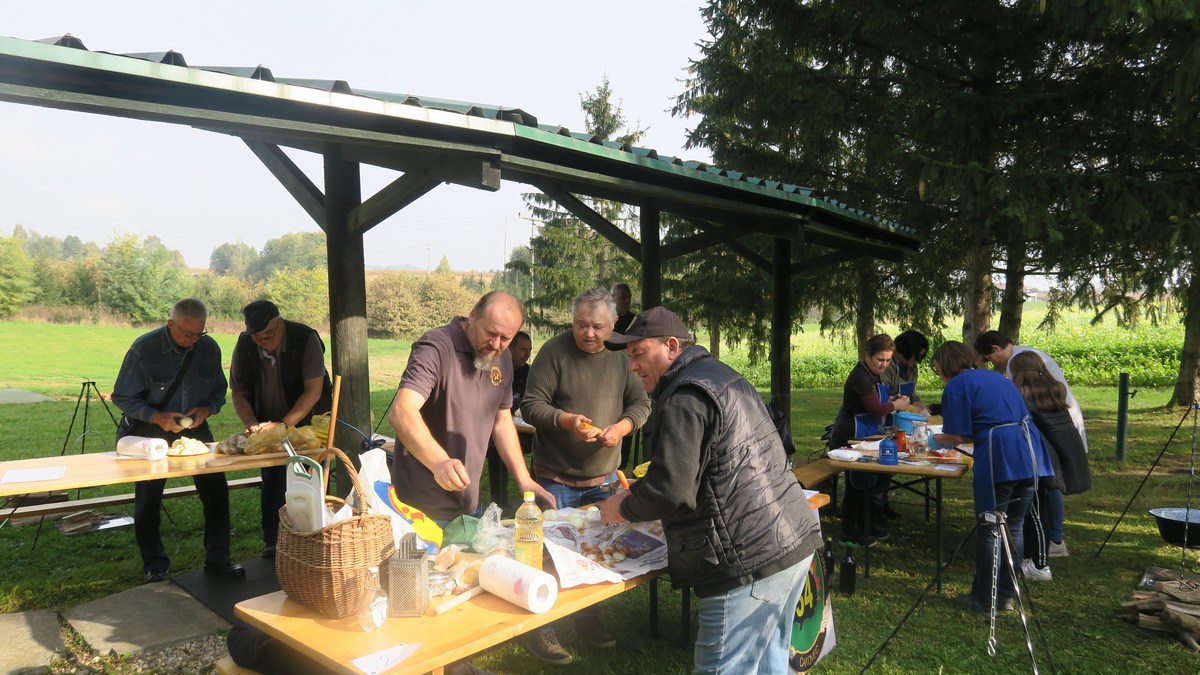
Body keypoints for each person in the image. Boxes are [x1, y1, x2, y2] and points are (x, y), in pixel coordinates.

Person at [598, 306, 821, 675]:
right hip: (791, 543)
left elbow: (672, 491)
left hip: (747, 562)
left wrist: (623, 506)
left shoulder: (683, 397)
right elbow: (720, 462)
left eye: (638, 354)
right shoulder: (722, 375)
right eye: (629, 357)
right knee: (770, 665)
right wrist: (648, 486)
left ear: (671, 346)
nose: (633, 367)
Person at [386, 292, 553, 675]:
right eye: (491, 334)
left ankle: (456, 666)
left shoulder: (502, 361)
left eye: (506, 339)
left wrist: (523, 477)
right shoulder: (436, 346)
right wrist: (438, 460)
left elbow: (501, 421)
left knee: (459, 592)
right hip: (419, 506)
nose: (496, 345)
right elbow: (401, 410)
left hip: (468, 504)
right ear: (472, 316)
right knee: (418, 599)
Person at [520, 288, 651, 661]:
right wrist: (566, 420)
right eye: (581, 325)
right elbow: (530, 406)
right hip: (554, 477)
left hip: (604, 479)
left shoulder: (622, 357)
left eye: (597, 326)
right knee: (548, 555)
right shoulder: (554, 352)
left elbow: (641, 402)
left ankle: (587, 619)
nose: (588, 333)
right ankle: (542, 631)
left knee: (595, 555)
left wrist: (622, 428)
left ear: (613, 325)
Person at [111, 298, 243, 583]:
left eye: (199, 333)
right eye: (187, 334)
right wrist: (156, 416)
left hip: (195, 429)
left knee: (216, 492)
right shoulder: (144, 349)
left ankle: (219, 559)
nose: (193, 340)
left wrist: (206, 410)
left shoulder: (208, 349)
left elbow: (219, 391)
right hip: (150, 430)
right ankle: (154, 565)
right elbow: (122, 396)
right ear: (171, 324)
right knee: (149, 499)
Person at [930, 341, 1055, 615]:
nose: (938, 374)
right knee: (1015, 526)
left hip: (1001, 454)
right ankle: (1006, 595)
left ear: (945, 366)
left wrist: (934, 440)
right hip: (1029, 452)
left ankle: (985, 599)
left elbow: (959, 434)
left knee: (990, 526)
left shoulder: (956, 386)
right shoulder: (996, 378)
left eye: (937, 368)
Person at [229, 300, 333, 558]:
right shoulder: (245, 344)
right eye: (257, 336)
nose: (263, 340)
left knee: (308, 480)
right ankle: (275, 543)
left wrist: (284, 424)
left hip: (307, 424)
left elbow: (313, 390)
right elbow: (239, 392)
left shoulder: (305, 338)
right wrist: (252, 423)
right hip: (268, 422)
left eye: (269, 334)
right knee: (273, 480)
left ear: (280, 322)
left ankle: (312, 541)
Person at [974, 329, 1086, 557]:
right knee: (1050, 484)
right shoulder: (1028, 356)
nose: (992, 364)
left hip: (1048, 431)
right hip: (1057, 424)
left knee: (1050, 484)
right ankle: (1052, 537)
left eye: (989, 359)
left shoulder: (1018, 361)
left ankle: (1053, 540)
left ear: (995, 349)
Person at [1009, 350, 1092, 580]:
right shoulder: (1052, 392)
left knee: (1034, 514)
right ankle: (1031, 560)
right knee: (1038, 512)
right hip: (1054, 462)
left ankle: (1040, 565)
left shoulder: (1025, 399)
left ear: (1018, 375)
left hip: (1041, 464)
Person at [829, 334, 910, 544]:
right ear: (867, 355)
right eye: (880, 360)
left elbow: (876, 400)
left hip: (867, 436)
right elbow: (874, 408)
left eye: (888, 360)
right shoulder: (861, 377)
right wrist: (895, 405)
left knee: (872, 482)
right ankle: (850, 533)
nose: (884, 364)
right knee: (856, 485)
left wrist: (891, 399)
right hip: (851, 437)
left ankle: (866, 527)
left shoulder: (872, 375)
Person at [484, 330, 533, 510]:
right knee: (497, 447)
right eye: (522, 349)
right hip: (497, 427)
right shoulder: (496, 370)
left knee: (543, 443)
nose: (526, 355)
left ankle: (533, 494)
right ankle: (500, 500)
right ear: (510, 349)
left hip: (525, 431)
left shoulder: (530, 373)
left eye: (529, 350)